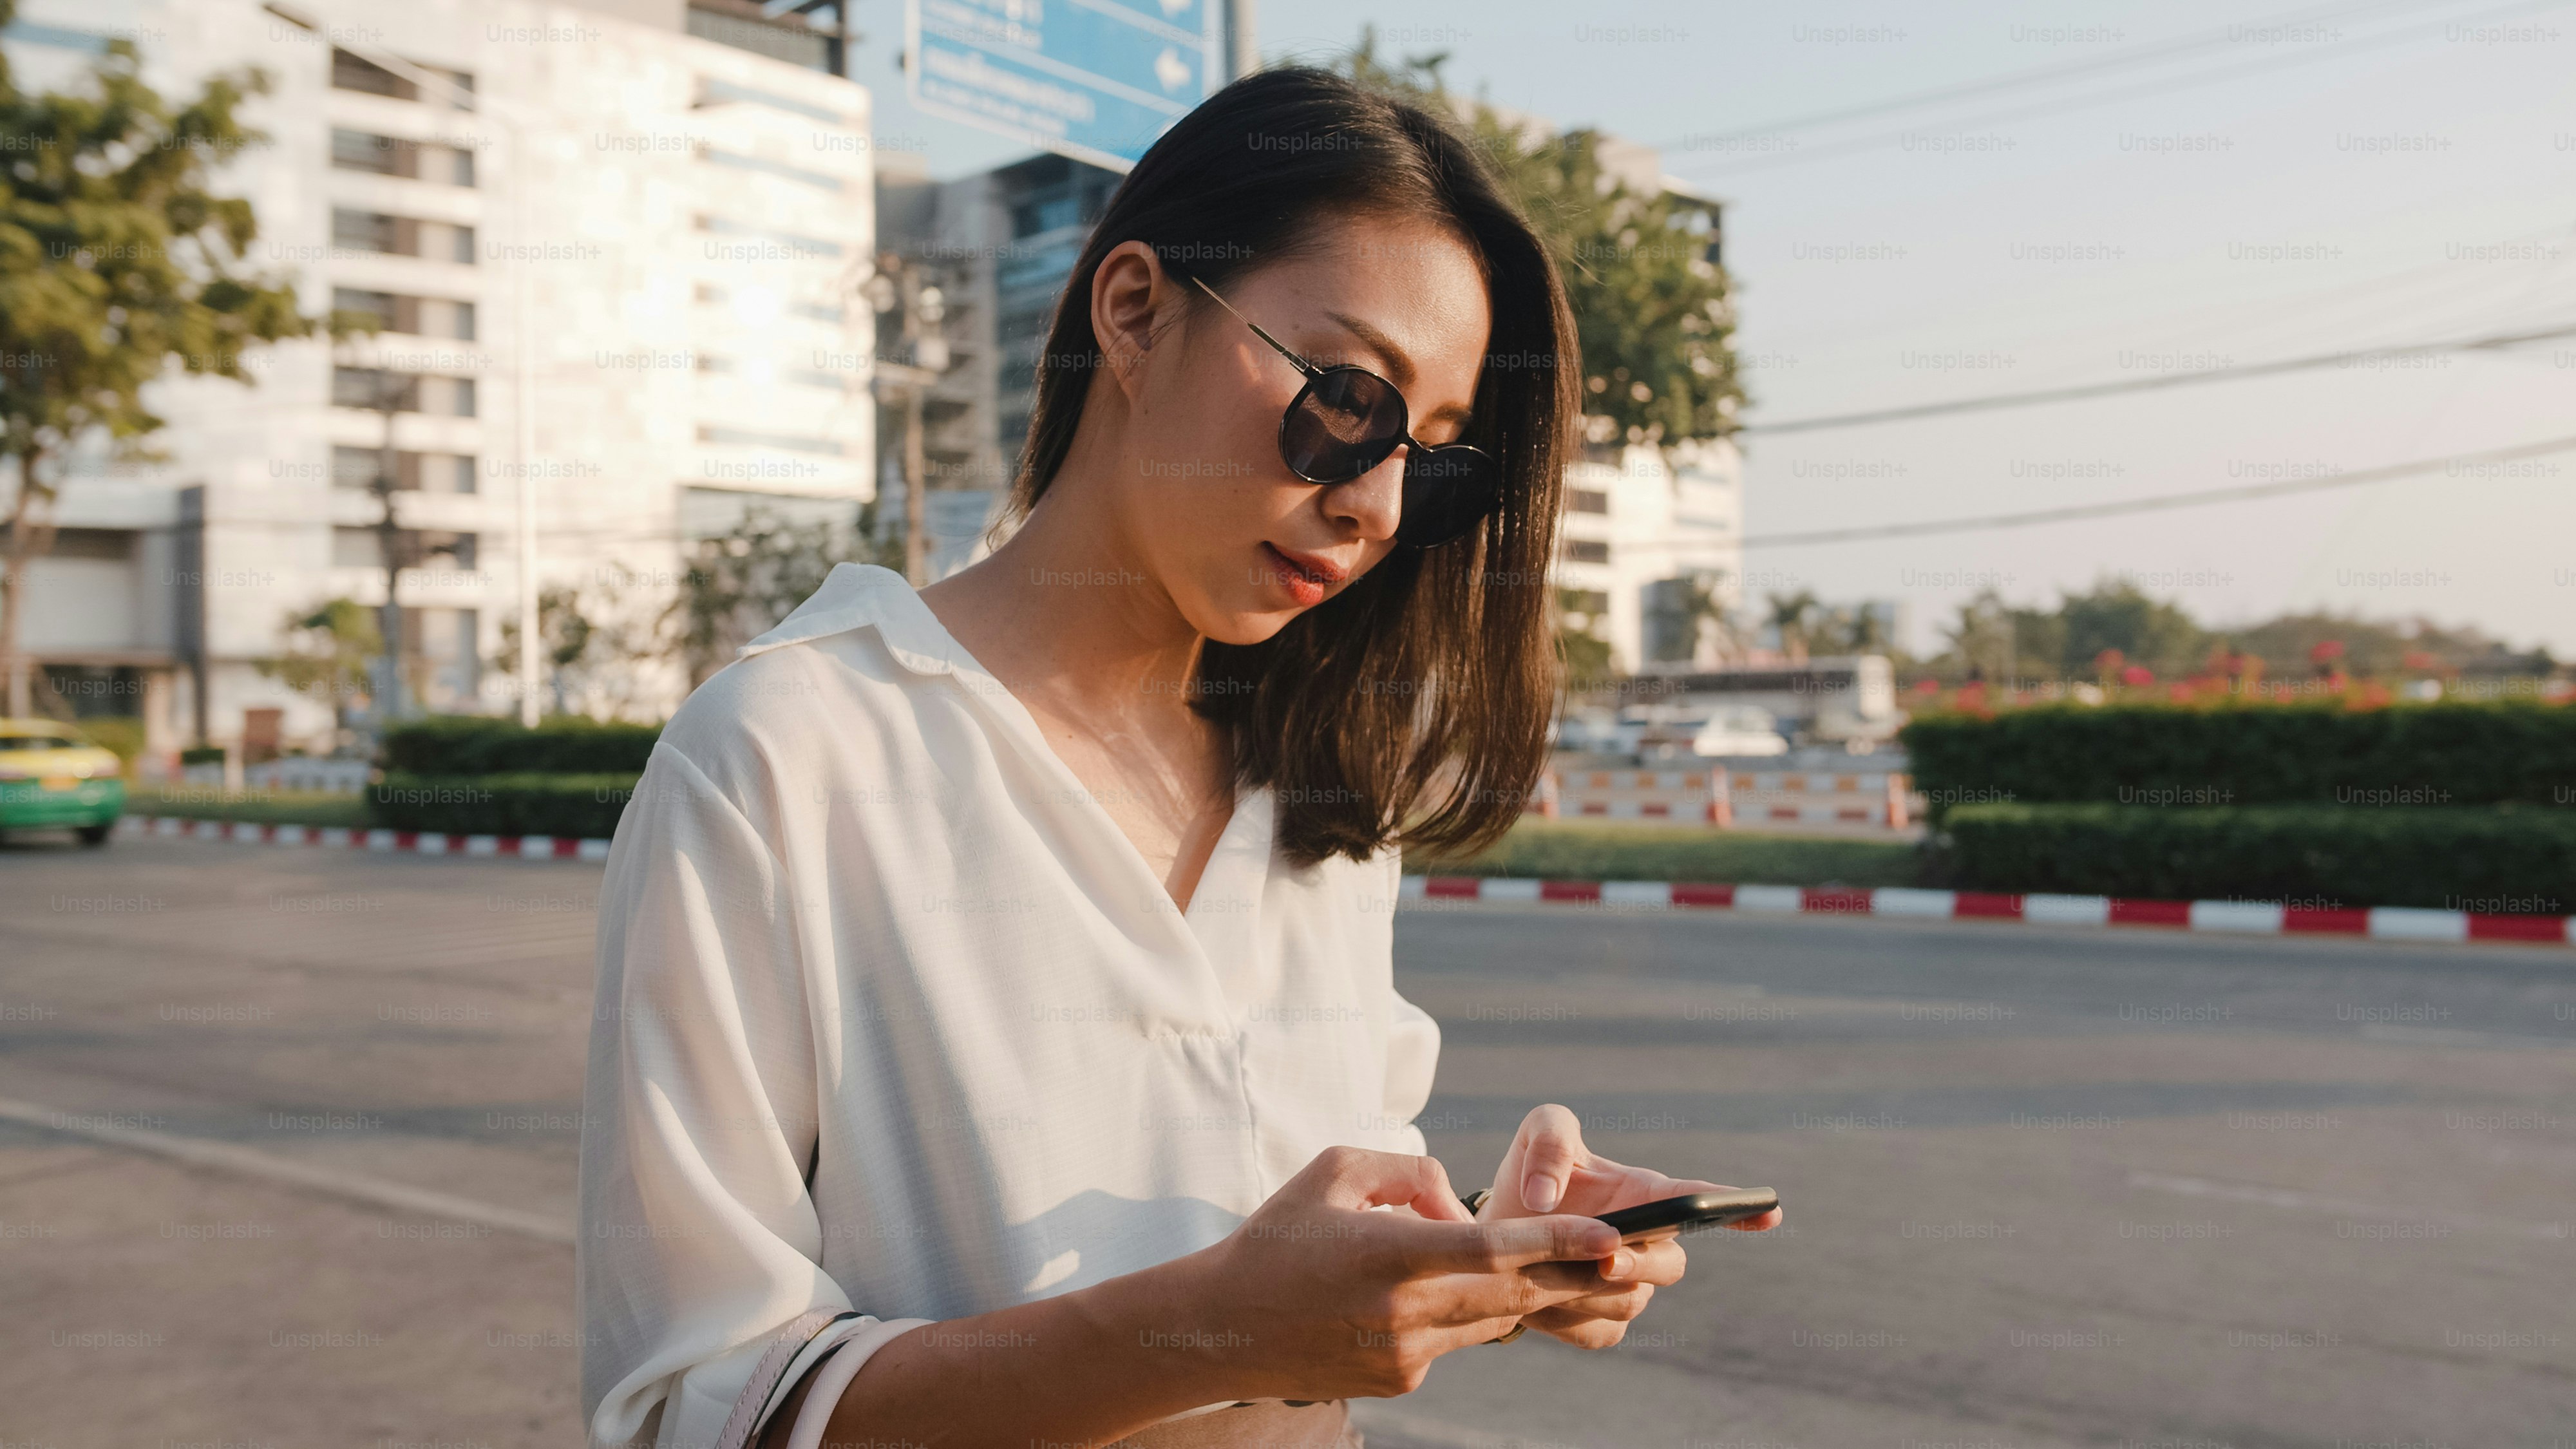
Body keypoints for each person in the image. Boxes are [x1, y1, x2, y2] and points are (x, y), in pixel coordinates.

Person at [577, 66, 1779, 1449]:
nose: (1378, 504)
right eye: (1348, 399)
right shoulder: (788, 755)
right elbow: (694, 1403)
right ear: (1136, 309)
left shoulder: (1323, 787)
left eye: (1434, 463)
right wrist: (1208, 1331)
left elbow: (1283, 1234)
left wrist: (1485, 1246)